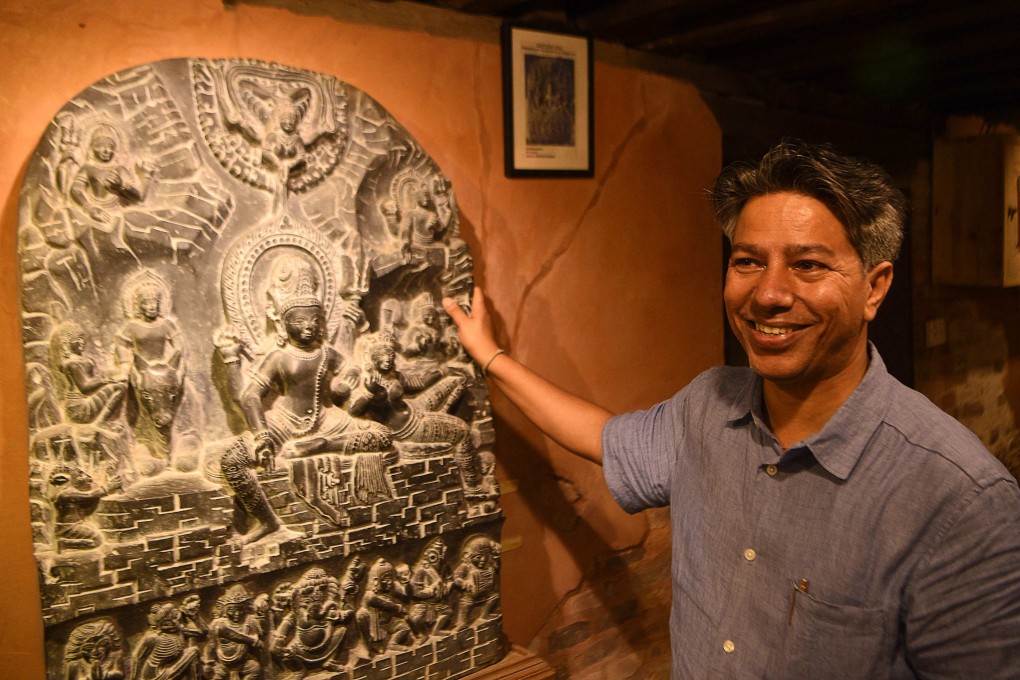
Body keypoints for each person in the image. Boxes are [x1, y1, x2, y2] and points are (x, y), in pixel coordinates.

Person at [442, 140, 1020, 678]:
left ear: (874, 287)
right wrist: (490, 357)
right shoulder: (709, 406)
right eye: (747, 261)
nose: (768, 293)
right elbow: (604, 437)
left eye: (808, 265)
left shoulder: (959, 502)